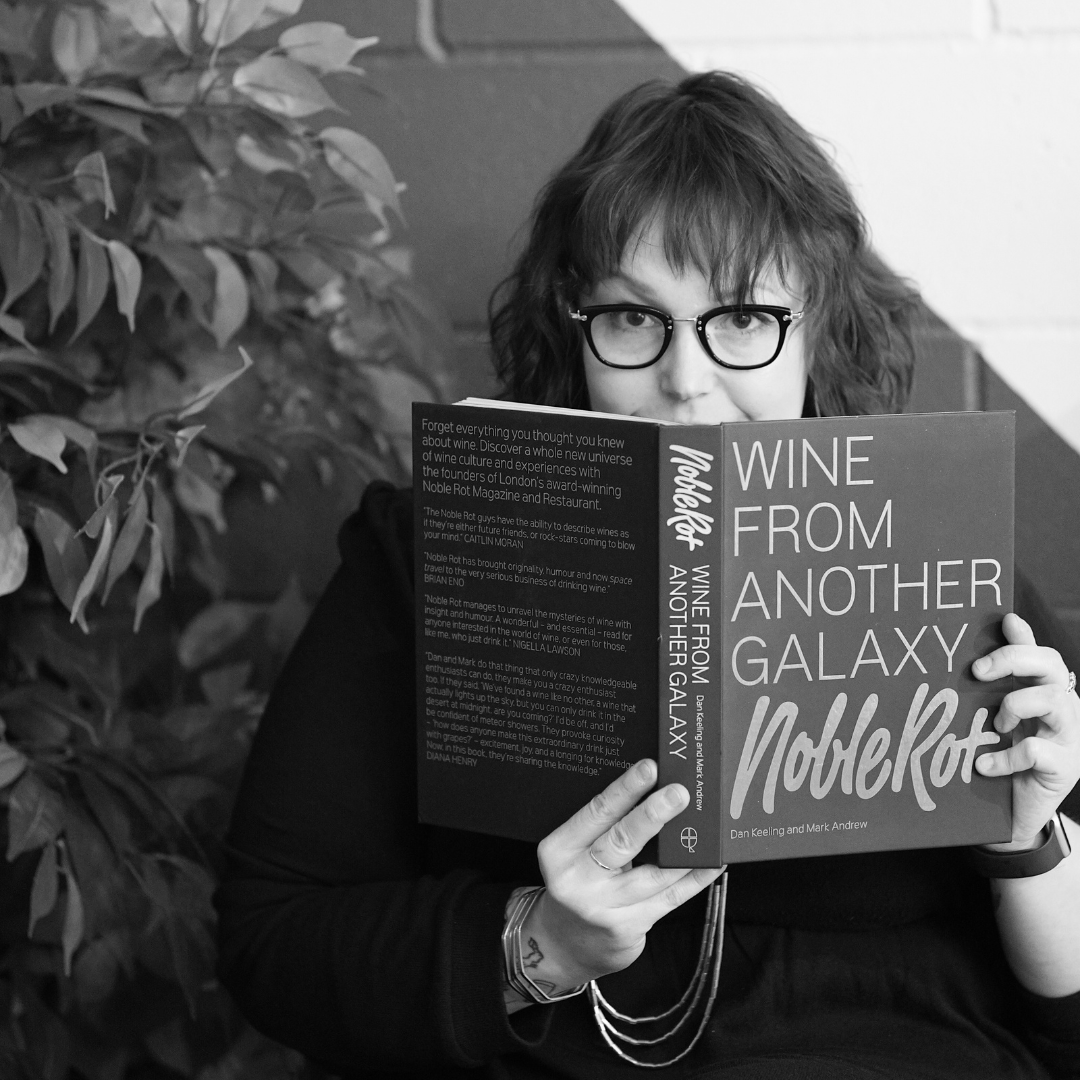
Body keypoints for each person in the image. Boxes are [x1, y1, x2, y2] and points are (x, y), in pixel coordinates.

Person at [215, 73, 1080, 1079]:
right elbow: (273, 941)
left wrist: (1030, 844)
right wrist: (537, 945)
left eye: (745, 318)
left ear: (817, 333)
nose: (687, 380)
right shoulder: (421, 553)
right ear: (572, 324)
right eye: (634, 319)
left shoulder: (941, 555)